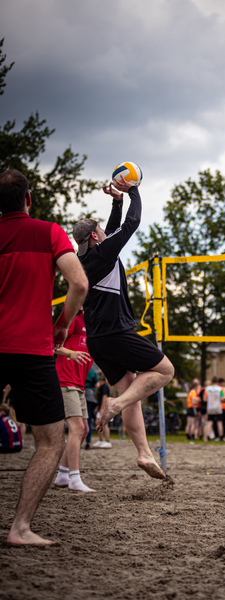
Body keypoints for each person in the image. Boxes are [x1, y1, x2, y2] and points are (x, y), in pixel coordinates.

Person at [0, 169, 88, 546]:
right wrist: (63, 325)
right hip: (31, 350)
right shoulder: (49, 231)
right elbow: (80, 283)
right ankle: (20, 528)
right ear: (28, 199)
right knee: (51, 442)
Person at [73, 178, 174, 479]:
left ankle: (144, 453)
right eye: (101, 231)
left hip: (96, 340)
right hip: (116, 333)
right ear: (95, 235)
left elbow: (112, 228)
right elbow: (132, 222)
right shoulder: (104, 253)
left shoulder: (85, 257)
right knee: (165, 371)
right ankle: (116, 403)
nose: (106, 231)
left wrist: (115, 202)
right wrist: (133, 191)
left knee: (131, 386)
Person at [53, 311, 95, 492]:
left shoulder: (95, 326)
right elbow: (52, 345)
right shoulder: (74, 321)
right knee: (76, 428)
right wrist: (70, 353)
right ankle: (75, 478)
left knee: (84, 430)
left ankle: (62, 474)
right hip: (64, 382)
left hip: (79, 385)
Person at [93, 373, 112, 448]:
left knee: (105, 424)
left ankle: (107, 441)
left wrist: (102, 408)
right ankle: (100, 440)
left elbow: (105, 397)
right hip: (100, 407)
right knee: (98, 423)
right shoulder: (101, 387)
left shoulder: (104, 386)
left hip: (103, 408)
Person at [203, 377, 224, 442]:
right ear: (217, 382)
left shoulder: (207, 389)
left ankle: (207, 436)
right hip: (217, 407)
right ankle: (221, 436)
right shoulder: (220, 389)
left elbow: (204, 399)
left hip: (210, 407)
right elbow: (222, 398)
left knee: (209, 423)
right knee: (219, 422)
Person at [84, 367, 99, 449]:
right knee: (88, 419)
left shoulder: (78, 365)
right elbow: (97, 385)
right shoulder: (91, 371)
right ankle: (88, 442)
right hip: (89, 395)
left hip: (78, 391)